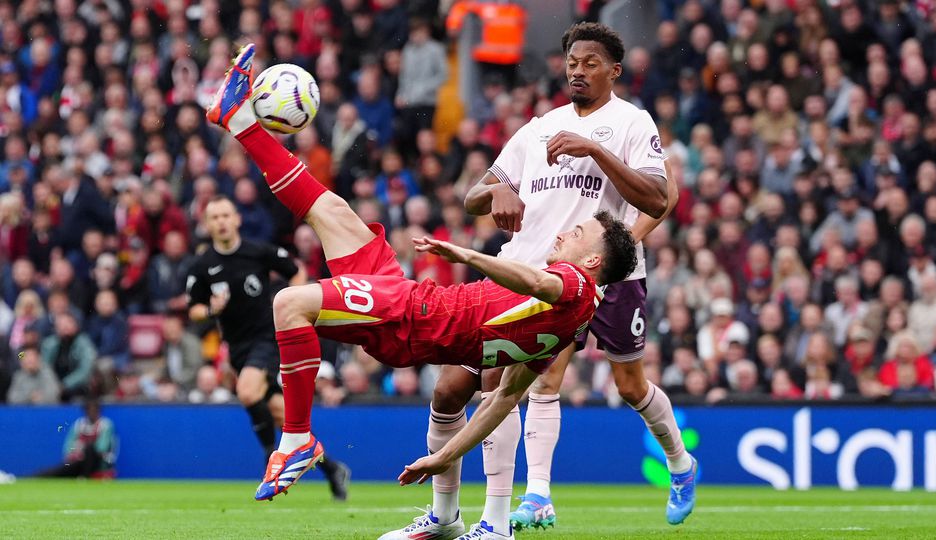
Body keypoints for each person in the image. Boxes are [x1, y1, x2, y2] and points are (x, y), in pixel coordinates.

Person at [205, 46, 637, 539]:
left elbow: (537, 279)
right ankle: (238, 121)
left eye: (576, 234)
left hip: (412, 319)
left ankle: (298, 438)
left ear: (592, 262)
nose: (563, 234)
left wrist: (466, 256)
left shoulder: (575, 286)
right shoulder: (566, 328)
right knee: (331, 212)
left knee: (289, 302)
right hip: (416, 301)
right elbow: (497, 406)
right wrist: (442, 457)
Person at [387, 22, 695, 539]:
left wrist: (595, 151)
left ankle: (679, 464)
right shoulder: (536, 129)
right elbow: (474, 197)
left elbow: (659, 199)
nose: (577, 70)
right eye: (572, 62)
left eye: (590, 63)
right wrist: (496, 194)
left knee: (629, 384)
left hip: (609, 273)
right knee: (483, 384)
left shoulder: (630, 123)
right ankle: (516, 506)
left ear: (614, 71)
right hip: (530, 275)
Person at [186, 195, 350, 501]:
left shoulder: (257, 252)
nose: (221, 222)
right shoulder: (202, 265)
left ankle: (268, 459)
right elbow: (192, 309)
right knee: (280, 415)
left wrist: (294, 303)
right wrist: (210, 309)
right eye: (214, 217)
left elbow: (295, 271)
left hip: (268, 337)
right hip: (237, 346)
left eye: (225, 215)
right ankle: (333, 469)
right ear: (207, 225)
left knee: (247, 392)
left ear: (236, 219)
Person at [36, 398, 117, 478]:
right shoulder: (78, 424)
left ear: (99, 411)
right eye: (89, 410)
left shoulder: (105, 425)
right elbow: (68, 446)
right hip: (79, 461)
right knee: (59, 471)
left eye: (94, 410)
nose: (92, 413)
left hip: (100, 463)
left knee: (89, 449)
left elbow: (102, 448)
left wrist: (82, 448)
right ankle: (37, 477)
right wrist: (74, 454)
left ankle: (86, 476)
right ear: (85, 411)